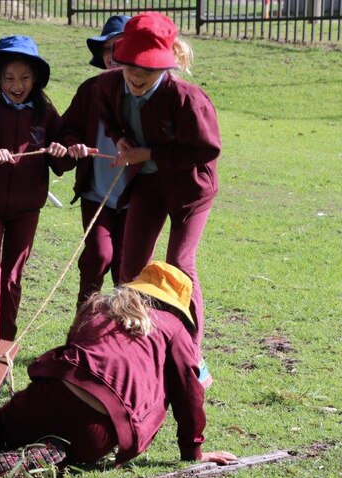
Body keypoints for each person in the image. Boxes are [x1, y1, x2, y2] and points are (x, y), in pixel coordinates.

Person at [0, 262, 237, 478]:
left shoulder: (101, 305)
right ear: (175, 305)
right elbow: (191, 393)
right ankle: (45, 458)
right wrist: (194, 450)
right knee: (73, 443)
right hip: (104, 422)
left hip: (55, 389)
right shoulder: (174, 327)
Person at [97, 12, 221, 347]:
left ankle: (192, 352)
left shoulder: (187, 99)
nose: (137, 76)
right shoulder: (109, 84)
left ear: (165, 66)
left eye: (148, 69)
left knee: (180, 264)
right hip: (148, 184)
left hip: (189, 188)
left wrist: (150, 154)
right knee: (131, 266)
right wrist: (119, 137)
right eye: (131, 67)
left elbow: (207, 150)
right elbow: (108, 115)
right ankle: (129, 343)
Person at [0, 35, 71, 343]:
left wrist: (64, 153)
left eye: (23, 78)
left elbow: (63, 158)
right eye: (9, 78)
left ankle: (3, 343)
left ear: (35, 79)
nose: (16, 85)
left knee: (11, 277)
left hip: (27, 208)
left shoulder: (46, 114)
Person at [62, 15, 130, 309]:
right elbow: (67, 128)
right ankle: (82, 326)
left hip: (135, 198)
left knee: (128, 269)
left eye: (122, 47)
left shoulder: (144, 90)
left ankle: (123, 338)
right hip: (96, 192)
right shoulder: (89, 89)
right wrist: (72, 145)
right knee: (98, 256)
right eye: (108, 49)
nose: (114, 56)